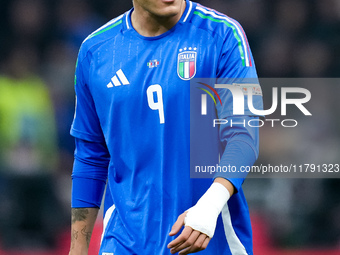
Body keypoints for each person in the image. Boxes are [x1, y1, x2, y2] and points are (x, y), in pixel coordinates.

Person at [69, 0, 263, 254]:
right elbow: (90, 156)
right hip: (124, 242)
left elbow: (244, 134)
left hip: (206, 235)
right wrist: (78, 247)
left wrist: (211, 204)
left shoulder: (224, 35)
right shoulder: (96, 51)